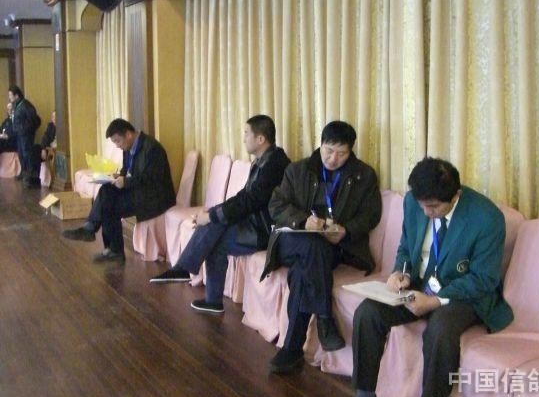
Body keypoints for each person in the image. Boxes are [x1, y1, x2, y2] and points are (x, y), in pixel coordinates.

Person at [342, 157, 513, 397]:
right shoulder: (414, 202)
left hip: (462, 294)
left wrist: (434, 301)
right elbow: (406, 246)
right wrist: (401, 272)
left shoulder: (487, 218)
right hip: (419, 285)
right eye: (421, 204)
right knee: (368, 312)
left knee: (440, 331)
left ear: (455, 196)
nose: (425, 212)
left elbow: (483, 279)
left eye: (433, 207)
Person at [263, 121, 382, 374]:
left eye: (341, 153)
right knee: (311, 243)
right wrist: (302, 220)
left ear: (351, 151)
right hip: (292, 240)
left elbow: (371, 215)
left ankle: (292, 349)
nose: (333, 158)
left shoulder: (363, 176)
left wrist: (346, 230)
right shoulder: (298, 170)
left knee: (303, 271)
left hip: (333, 247)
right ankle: (324, 318)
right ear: (320, 144)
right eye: (329, 150)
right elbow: (276, 206)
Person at [149, 115, 290, 313]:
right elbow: (243, 196)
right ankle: (211, 299)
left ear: (260, 139)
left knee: (213, 224)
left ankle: (185, 270)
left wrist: (212, 216)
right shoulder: (264, 160)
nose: (243, 138)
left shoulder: (275, 164)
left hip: (266, 231)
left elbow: (250, 202)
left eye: (246, 133)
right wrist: (214, 211)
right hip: (253, 223)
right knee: (214, 231)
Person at [62, 118, 176, 262]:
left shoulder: (152, 149)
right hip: (138, 191)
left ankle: (110, 247)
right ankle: (92, 230)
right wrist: (117, 177)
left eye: (117, 141)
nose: (117, 146)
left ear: (128, 134)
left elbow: (151, 179)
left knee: (110, 205)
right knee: (106, 190)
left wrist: (125, 181)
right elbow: (127, 171)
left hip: (155, 197)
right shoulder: (128, 147)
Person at [8, 85, 41, 187]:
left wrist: (25, 129)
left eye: (10, 95)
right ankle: (24, 172)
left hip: (26, 135)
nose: (9, 97)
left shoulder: (26, 105)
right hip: (19, 135)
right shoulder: (16, 105)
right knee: (21, 154)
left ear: (16, 95)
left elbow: (34, 119)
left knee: (27, 154)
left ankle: (30, 176)